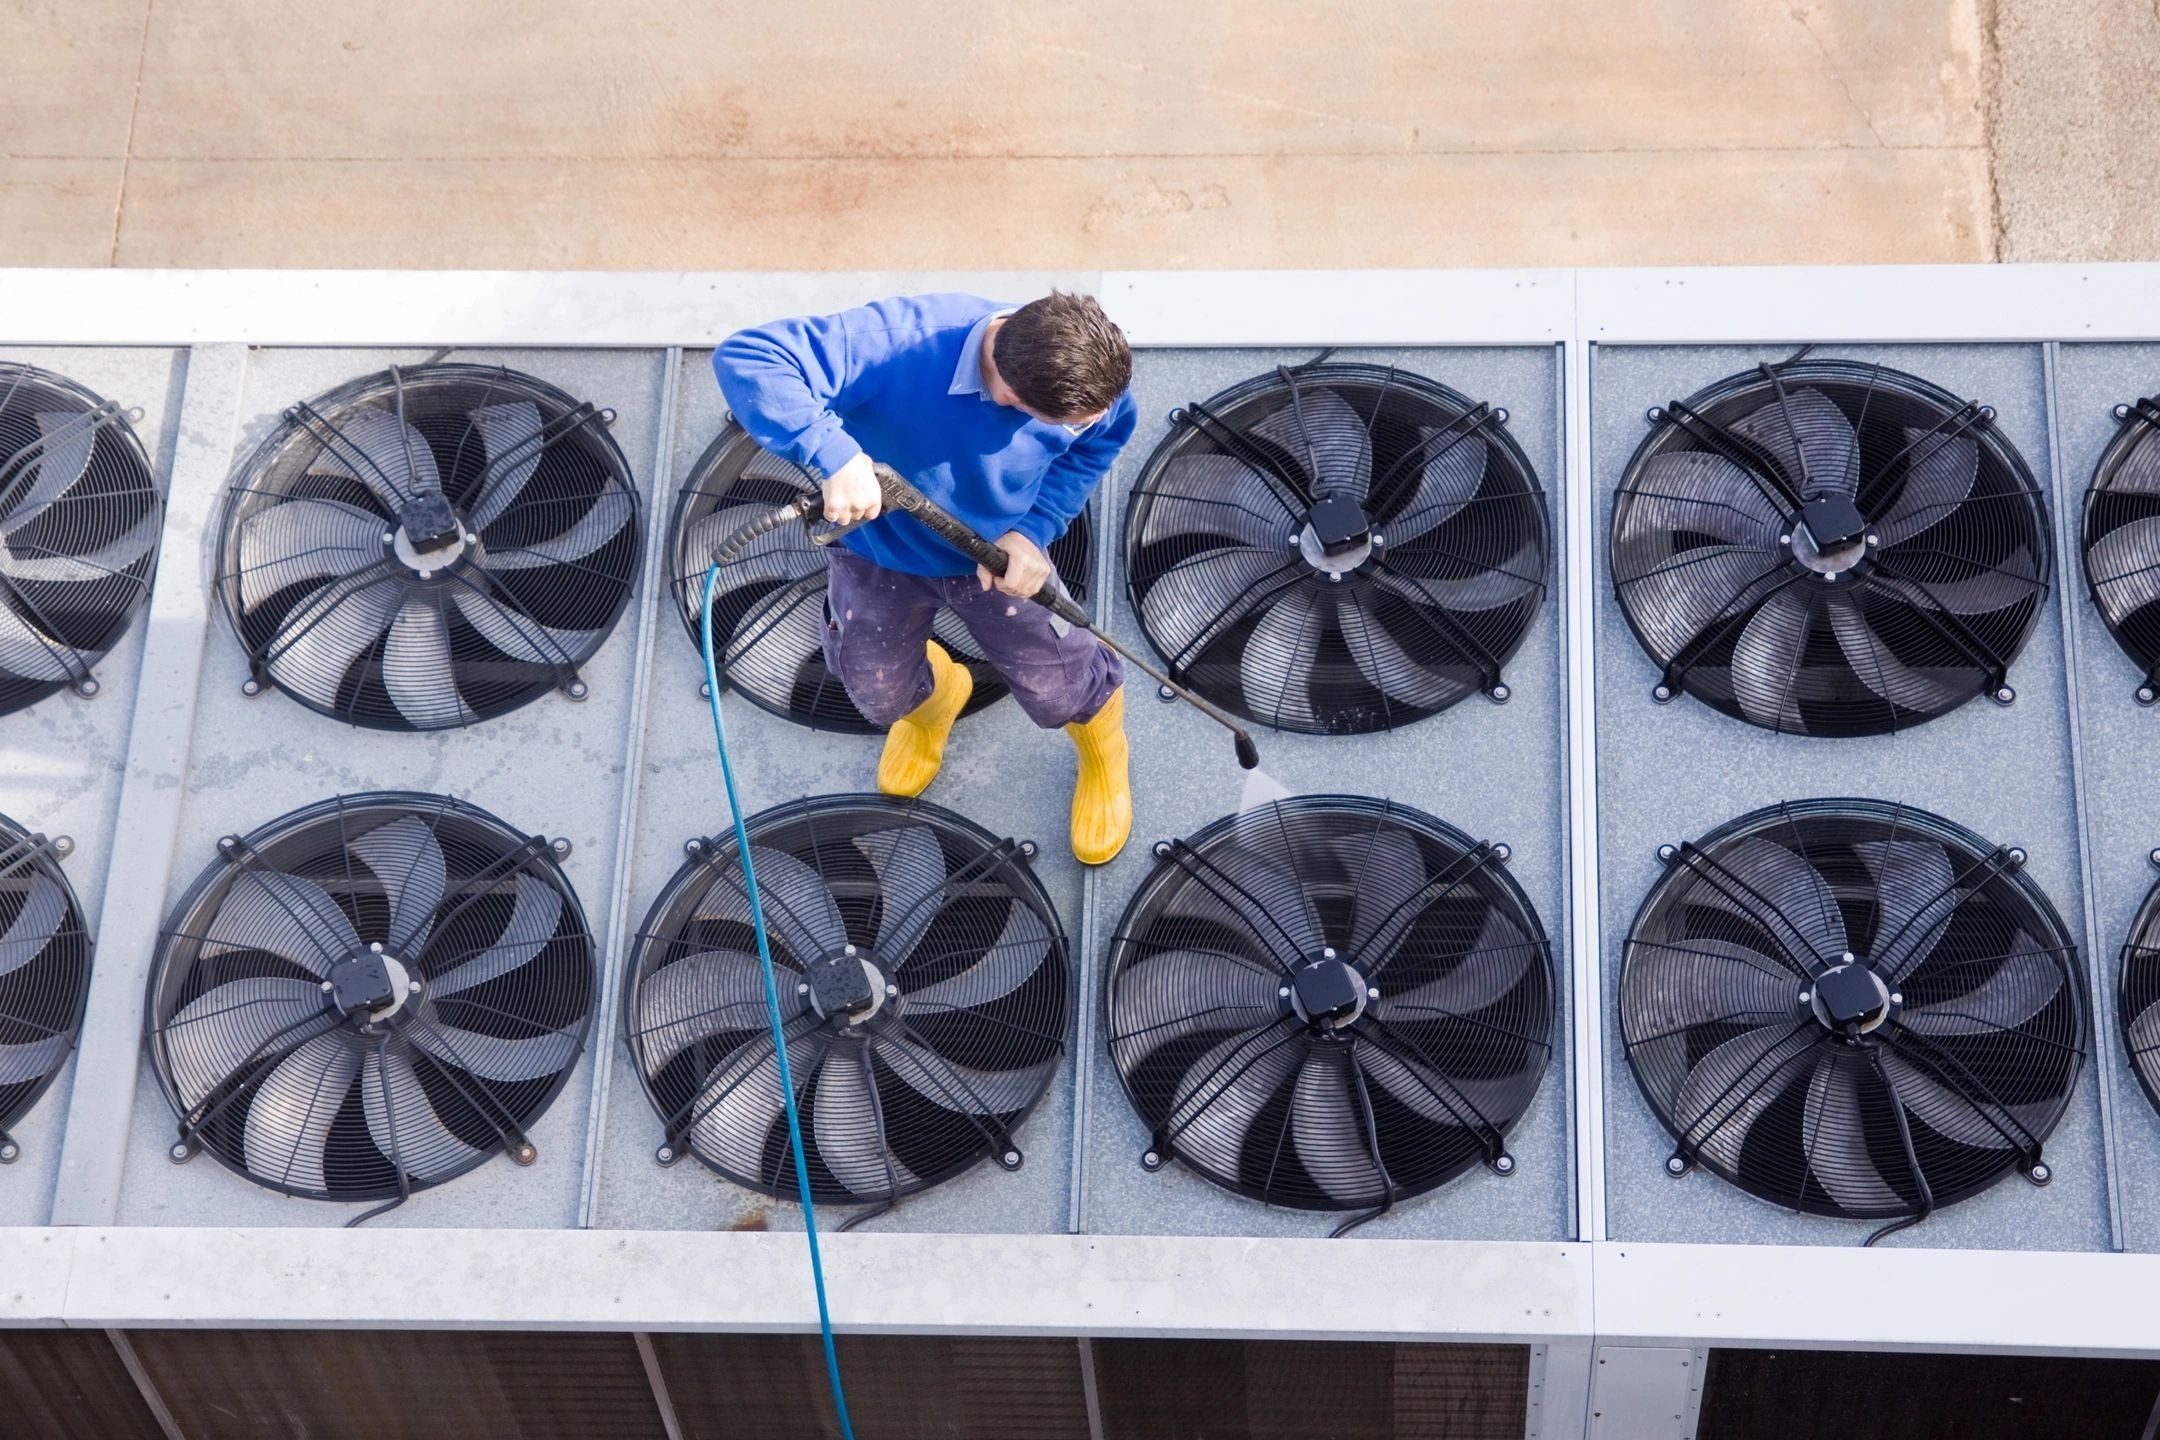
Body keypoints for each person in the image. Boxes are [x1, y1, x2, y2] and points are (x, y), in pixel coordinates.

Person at [714, 292, 1138, 865]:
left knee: (1060, 683)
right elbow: (749, 356)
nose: (1087, 425)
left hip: (993, 558)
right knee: (876, 690)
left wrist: (1034, 530)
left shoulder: (1093, 386)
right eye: (1061, 423)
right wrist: (835, 456)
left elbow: (1092, 449)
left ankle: (1104, 750)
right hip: (876, 551)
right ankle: (936, 705)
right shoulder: (898, 340)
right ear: (1007, 396)